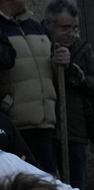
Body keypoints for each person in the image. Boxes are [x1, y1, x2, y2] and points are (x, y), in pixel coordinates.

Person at [40, 0, 94, 189]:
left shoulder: (82, 49)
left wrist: (78, 76)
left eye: (75, 28)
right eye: (65, 27)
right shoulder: (39, 46)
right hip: (46, 130)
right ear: (50, 25)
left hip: (75, 132)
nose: (71, 33)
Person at [0, 0, 56, 173]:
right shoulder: (1, 29)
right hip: (14, 124)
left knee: (49, 180)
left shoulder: (36, 27)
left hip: (45, 122)